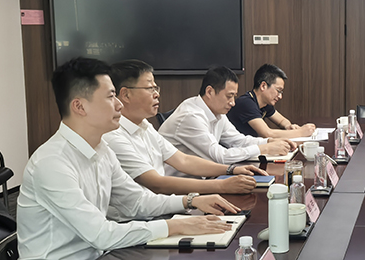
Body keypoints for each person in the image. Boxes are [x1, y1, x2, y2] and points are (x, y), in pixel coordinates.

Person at [15, 58, 234, 260]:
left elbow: (137, 202)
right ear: (79, 106)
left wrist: (190, 201)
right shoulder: (52, 162)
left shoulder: (102, 149)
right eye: (110, 97)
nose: (119, 104)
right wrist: (176, 226)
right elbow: (101, 234)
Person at [107, 60, 268, 197]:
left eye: (156, 88)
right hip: (156, 207)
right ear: (125, 95)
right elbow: (157, 184)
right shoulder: (113, 136)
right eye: (150, 89)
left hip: (167, 200)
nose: (156, 94)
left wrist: (231, 170)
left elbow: (183, 160)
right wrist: (221, 185)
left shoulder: (144, 125)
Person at [159, 66, 294, 168]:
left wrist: (269, 142)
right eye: (229, 96)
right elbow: (220, 157)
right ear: (210, 92)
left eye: (234, 96)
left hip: (204, 179)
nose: (233, 103)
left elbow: (238, 140)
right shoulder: (191, 116)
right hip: (179, 187)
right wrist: (264, 148)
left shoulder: (218, 113)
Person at [228, 63, 316, 140]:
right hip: (235, 150)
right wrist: (300, 132)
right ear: (263, 86)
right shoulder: (246, 103)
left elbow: (282, 121)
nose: (280, 96)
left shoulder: (265, 104)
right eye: (278, 90)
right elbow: (267, 133)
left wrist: (289, 126)